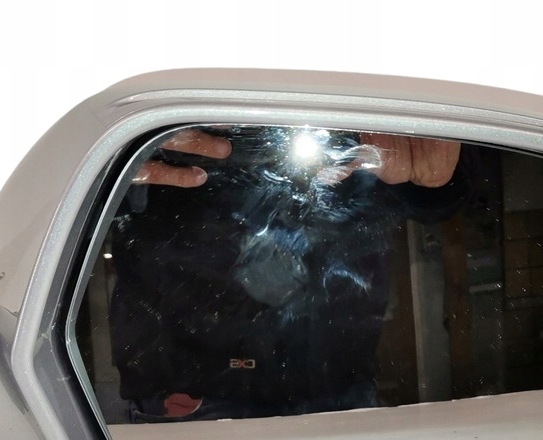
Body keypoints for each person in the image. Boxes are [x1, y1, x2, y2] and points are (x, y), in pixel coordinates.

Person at [107, 125, 467, 422]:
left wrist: (436, 167)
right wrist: (118, 154)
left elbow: (439, 180)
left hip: (333, 377)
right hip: (188, 383)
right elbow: (90, 205)